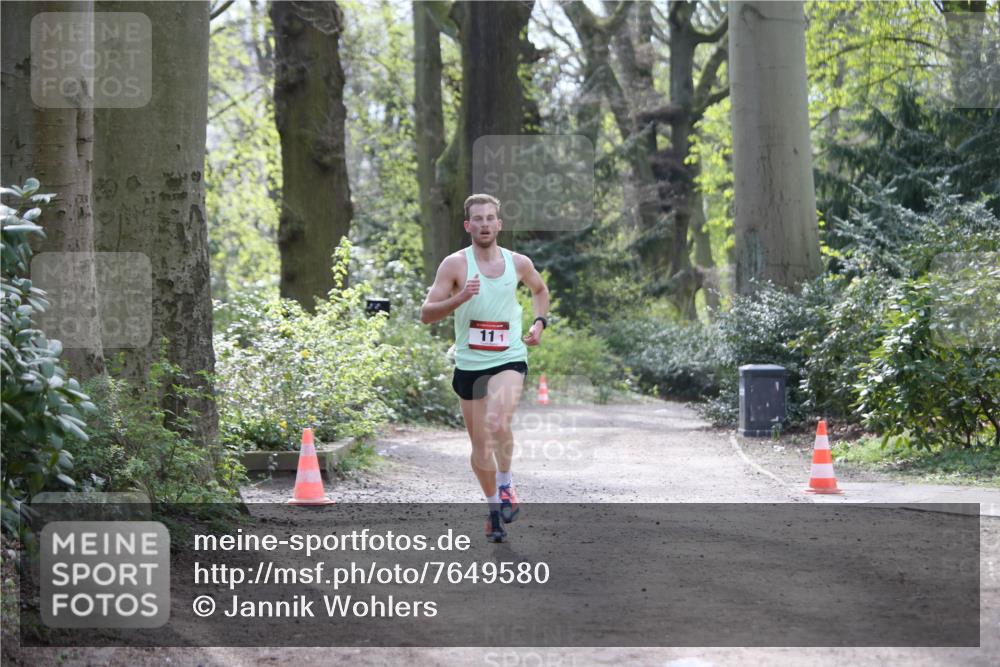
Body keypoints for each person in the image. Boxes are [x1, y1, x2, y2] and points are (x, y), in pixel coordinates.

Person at [420, 194, 550, 542]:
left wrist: (539, 323)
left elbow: (540, 290)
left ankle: (506, 486)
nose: (485, 224)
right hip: (470, 363)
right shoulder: (454, 266)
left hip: (508, 356)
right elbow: (427, 314)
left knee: (497, 421)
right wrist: (460, 298)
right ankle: (494, 510)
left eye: (490, 218)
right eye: (477, 219)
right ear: (468, 226)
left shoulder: (518, 262)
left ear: (499, 224)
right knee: (479, 447)